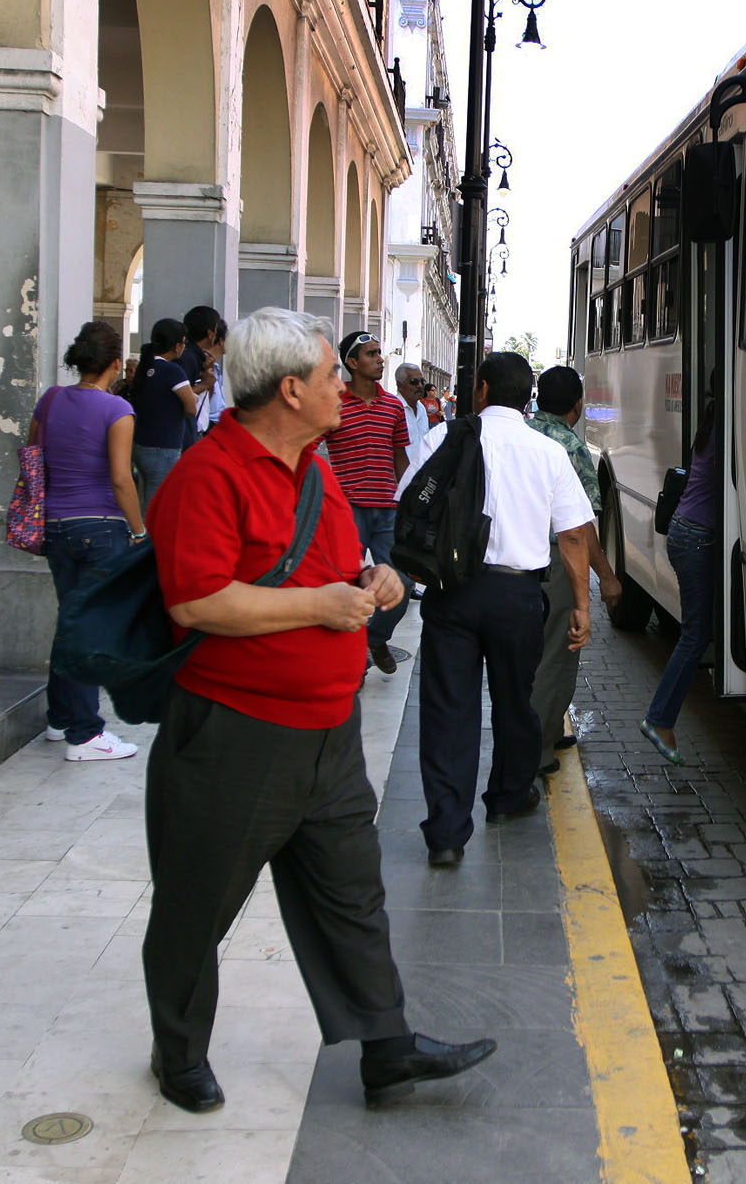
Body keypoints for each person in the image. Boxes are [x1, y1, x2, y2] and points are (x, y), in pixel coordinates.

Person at [142, 307, 495, 1115]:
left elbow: (344, 561)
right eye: (334, 374)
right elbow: (196, 602)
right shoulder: (211, 474)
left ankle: (386, 1044)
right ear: (292, 388)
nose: (346, 385)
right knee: (198, 903)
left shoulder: (316, 468)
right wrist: (319, 607)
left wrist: (378, 579)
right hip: (237, 733)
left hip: (328, 734)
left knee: (352, 893)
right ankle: (178, 1050)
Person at [402, 351, 595, 867]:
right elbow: (574, 535)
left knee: (449, 709)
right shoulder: (547, 451)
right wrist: (581, 604)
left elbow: (409, 503)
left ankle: (446, 831)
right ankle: (509, 796)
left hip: (454, 592)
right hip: (518, 595)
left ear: (481, 389)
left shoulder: (444, 438)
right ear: (525, 395)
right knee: (517, 699)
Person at [33, 321, 145, 762]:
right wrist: (138, 530)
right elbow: (121, 478)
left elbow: (33, 456)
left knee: (70, 620)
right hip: (100, 526)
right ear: (115, 364)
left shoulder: (51, 400)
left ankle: (60, 718)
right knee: (91, 628)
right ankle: (85, 733)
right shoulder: (117, 410)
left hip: (56, 524)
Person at [526, 366, 622, 775]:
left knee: (530, 654)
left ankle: (543, 728)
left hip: (516, 563)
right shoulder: (569, 446)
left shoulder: (524, 433)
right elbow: (580, 527)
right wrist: (606, 575)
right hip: (555, 563)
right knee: (557, 656)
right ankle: (539, 747)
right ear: (578, 405)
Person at [640, 379, 721, 767]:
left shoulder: (710, 425)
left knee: (697, 630)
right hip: (695, 539)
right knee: (695, 634)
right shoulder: (728, 429)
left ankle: (661, 719)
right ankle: (659, 719)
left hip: (684, 531)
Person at [325, 331, 410, 674]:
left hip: (388, 511)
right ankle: (351, 659)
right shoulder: (333, 401)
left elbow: (400, 458)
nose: (380, 358)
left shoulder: (393, 406)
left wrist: (407, 502)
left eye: (380, 352)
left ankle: (374, 637)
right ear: (352, 362)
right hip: (346, 511)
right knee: (346, 585)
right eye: (372, 354)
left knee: (402, 585)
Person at [128, 318, 200, 511]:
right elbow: (191, 407)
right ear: (177, 346)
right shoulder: (172, 371)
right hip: (164, 447)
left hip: (141, 444)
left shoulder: (146, 368)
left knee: (145, 500)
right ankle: (149, 540)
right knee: (158, 506)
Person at [176, 305, 225, 449]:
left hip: (195, 429)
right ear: (210, 333)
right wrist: (205, 384)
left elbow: (205, 399)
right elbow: (180, 394)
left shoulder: (198, 358)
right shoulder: (188, 358)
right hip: (185, 432)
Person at [394, 363, 430, 455]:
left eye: (422, 381)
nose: (420, 386)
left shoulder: (421, 408)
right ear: (400, 385)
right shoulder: (393, 408)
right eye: (414, 382)